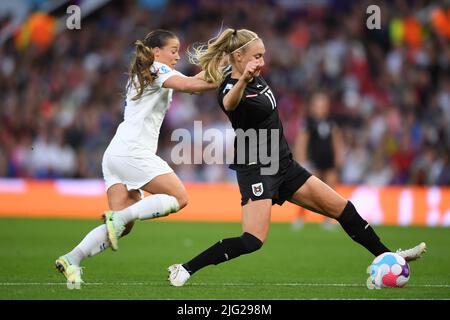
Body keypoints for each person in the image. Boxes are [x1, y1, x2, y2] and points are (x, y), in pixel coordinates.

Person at [167, 28, 426, 287]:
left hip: (283, 164)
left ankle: (387, 256)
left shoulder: (245, 72)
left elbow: (212, 76)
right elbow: (230, 103)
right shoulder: (230, 85)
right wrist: (241, 79)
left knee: (343, 209)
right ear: (239, 56)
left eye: (263, 55)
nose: (263, 62)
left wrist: (247, 73)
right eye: (257, 56)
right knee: (252, 240)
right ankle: (185, 268)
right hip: (257, 168)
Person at [55, 29, 217, 289]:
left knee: (124, 226)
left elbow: (194, 79)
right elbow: (193, 86)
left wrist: (221, 68)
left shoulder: (148, 72)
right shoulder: (157, 70)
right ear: (156, 52)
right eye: (173, 50)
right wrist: (236, 76)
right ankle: (116, 218)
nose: (177, 56)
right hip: (133, 152)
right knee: (180, 197)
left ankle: (72, 258)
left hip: (116, 154)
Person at [292, 91, 344, 230]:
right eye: (318, 105)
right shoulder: (309, 122)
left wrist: (339, 157)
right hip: (314, 160)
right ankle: (300, 216)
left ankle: (327, 219)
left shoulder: (331, 122)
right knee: (309, 192)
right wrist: (301, 160)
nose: (321, 108)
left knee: (330, 191)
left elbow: (336, 140)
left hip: (329, 161)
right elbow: (302, 141)